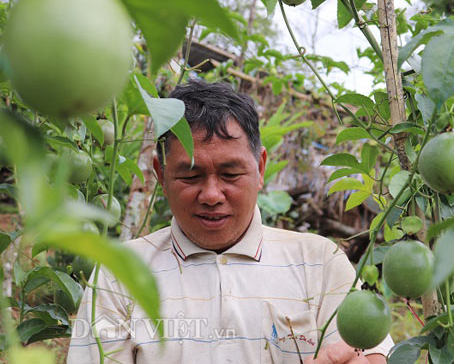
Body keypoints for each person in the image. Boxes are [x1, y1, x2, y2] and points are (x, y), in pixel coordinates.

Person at [67, 80, 394, 363]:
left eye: (230, 174)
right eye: (191, 175)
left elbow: (367, 354)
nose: (211, 194)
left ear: (261, 168)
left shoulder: (321, 263)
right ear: (160, 174)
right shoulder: (118, 272)